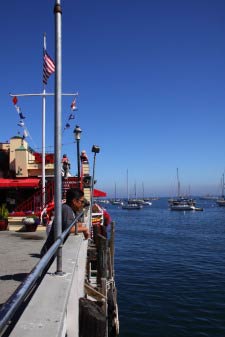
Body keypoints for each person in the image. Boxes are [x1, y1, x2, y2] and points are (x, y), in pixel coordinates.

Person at [40, 188, 89, 257]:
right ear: (74, 201)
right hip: (50, 252)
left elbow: (70, 224)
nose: (82, 204)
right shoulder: (66, 209)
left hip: (52, 250)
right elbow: (69, 229)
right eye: (81, 201)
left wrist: (81, 225)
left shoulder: (69, 209)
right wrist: (85, 229)